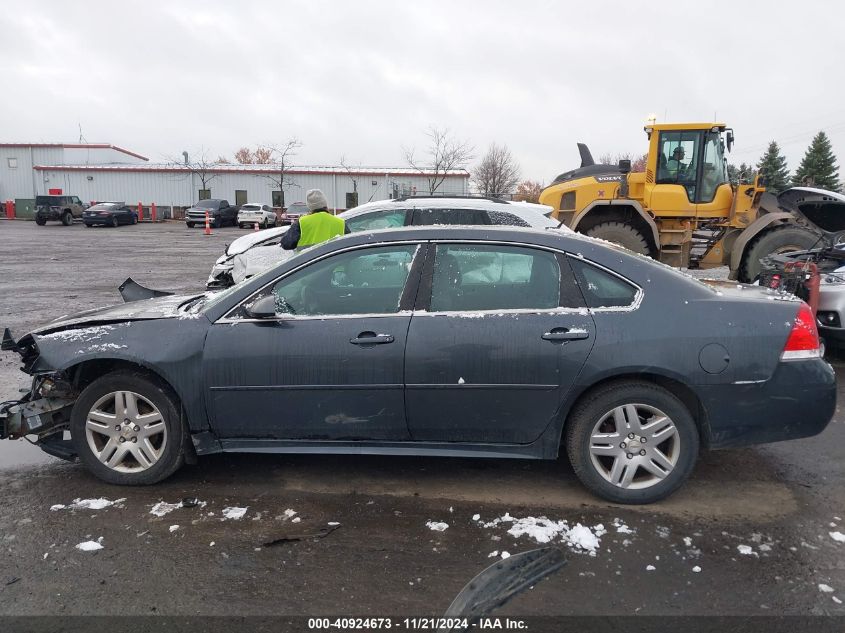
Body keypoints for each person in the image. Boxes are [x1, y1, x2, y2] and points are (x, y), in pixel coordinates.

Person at [281, 189, 349, 250]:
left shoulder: (301, 223)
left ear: (310, 207)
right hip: (336, 263)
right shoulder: (340, 223)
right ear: (325, 204)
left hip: (309, 263)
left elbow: (286, 244)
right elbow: (350, 245)